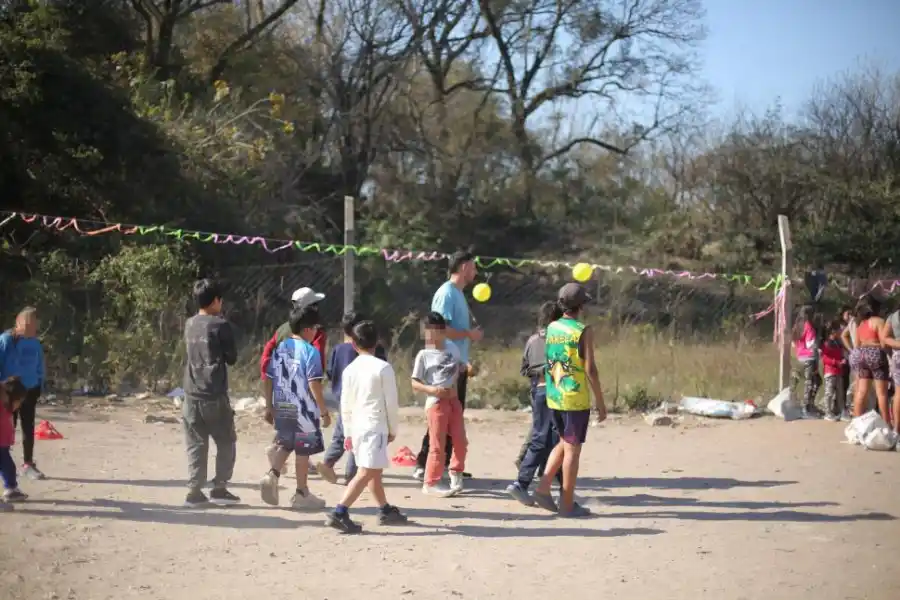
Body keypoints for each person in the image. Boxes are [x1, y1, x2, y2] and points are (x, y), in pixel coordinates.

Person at [530, 283, 606, 518]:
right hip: (574, 398)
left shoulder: (552, 327)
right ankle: (567, 504)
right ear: (581, 306)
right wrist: (601, 403)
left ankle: (543, 489)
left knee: (564, 442)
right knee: (573, 450)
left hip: (554, 395)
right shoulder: (583, 330)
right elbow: (590, 368)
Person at [326, 320, 407, 533]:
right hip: (374, 426)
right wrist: (393, 429)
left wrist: (348, 432)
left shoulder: (350, 369)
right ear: (377, 342)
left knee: (374, 470)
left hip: (357, 426)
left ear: (354, 344)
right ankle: (340, 512)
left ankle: (385, 509)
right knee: (366, 471)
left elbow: (345, 403)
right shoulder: (383, 368)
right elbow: (391, 402)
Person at [413, 251, 482, 481]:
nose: (475, 272)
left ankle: (451, 465)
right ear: (463, 267)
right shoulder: (446, 293)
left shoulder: (458, 293)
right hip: (444, 366)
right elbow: (438, 331)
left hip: (456, 364)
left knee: (453, 416)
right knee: (440, 414)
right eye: (473, 267)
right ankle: (425, 464)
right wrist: (469, 334)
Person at [259, 304, 332, 510]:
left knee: (285, 444)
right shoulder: (310, 352)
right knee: (303, 451)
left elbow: (270, 377)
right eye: (316, 327)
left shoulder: (280, 349)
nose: (317, 331)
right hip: (304, 407)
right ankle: (302, 492)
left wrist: (270, 404)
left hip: (283, 404)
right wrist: (323, 411)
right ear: (308, 329)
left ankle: (271, 474)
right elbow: (313, 383)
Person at [182, 279, 240, 507]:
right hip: (214, 393)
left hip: (191, 393)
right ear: (216, 301)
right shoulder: (220, 325)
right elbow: (232, 358)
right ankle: (219, 487)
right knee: (226, 441)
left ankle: (194, 492)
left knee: (196, 443)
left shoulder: (189, 324)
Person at [318, 312, 388, 486]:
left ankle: (330, 464)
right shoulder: (373, 350)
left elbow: (331, 372)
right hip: (364, 399)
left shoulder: (338, 349)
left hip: (343, 397)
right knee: (355, 437)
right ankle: (348, 473)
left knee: (343, 434)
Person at [507, 301, 564, 505]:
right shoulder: (559, 339)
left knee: (542, 436)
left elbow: (524, 369)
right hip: (554, 391)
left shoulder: (531, 340)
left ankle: (536, 481)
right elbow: (561, 370)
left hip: (537, 391)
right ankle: (529, 482)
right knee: (557, 438)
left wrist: (538, 371)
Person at [411, 312, 466, 497]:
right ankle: (430, 483)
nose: (429, 337)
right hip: (436, 403)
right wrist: (433, 390)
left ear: (443, 332)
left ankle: (455, 473)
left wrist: (466, 368)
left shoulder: (452, 348)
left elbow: (459, 366)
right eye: (427, 332)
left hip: (453, 402)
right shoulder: (424, 355)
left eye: (433, 332)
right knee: (437, 445)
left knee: (460, 441)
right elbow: (415, 383)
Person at [0, 307, 46, 480]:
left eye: (35, 325)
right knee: (5, 430)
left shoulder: (34, 342)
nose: (33, 328)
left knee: (28, 427)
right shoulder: (6, 340)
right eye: (31, 324)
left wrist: (40, 383)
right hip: (8, 393)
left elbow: (39, 363)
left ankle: (28, 464)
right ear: (20, 322)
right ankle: (5, 465)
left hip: (30, 390)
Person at [848, 296, 890, 419]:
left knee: (861, 392)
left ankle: (856, 423)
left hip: (860, 355)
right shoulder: (879, 321)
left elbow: (857, 344)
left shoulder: (860, 324)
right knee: (881, 394)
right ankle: (886, 424)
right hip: (876, 355)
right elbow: (884, 343)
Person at [0, 376, 29, 510]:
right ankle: (11, 488)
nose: (19, 405)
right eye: (19, 402)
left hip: (2, 446)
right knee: (8, 467)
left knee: (8, 467)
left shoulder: (5, 407)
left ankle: (11, 489)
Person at [791, 305, 821, 418]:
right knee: (811, 382)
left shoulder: (797, 326)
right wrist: (817, 347)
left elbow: (794, 343)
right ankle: (807, 407)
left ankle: (808, 405)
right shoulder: (809, 326)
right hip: (809, 358)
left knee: (811, 381)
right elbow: (809, 344)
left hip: (800, 357)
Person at [820, 319, 848, 422]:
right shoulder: (827, 344)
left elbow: (840, 354)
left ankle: (841, 412)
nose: (841, 331)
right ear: (833, 331)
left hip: (838, 372)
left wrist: (842, 360)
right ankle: (828, 412)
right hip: (830, 372)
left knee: (840, 393)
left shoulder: (838, 343)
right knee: (829, 393)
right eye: (839, 330)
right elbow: (825, 358)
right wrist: (836, 362)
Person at [880, 304, 900, 432]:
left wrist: (896, 345)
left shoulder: (893, 316)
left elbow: (884, 338)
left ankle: (897, 430)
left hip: (898, 355)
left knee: (898, 393)